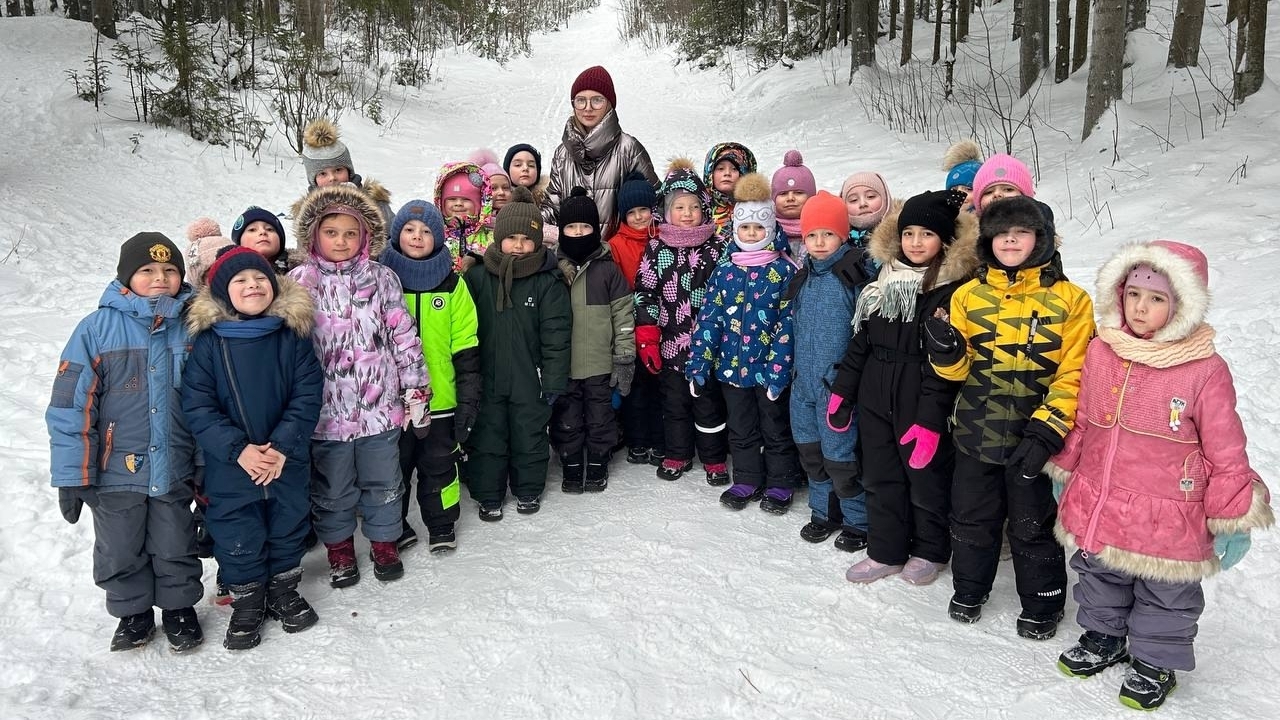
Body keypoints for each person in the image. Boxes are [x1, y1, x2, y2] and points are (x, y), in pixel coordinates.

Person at [1047, 240, 1273, 710]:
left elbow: (1226, 447)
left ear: (1182, 305)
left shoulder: (1204, 369)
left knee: (1165, 590)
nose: (1141, 308)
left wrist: (1232, 514)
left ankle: (1154, 660)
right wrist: (1067, 468)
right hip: (1103, 494)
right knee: (1099, 571)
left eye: (1156, 299)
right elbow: (1085, 419)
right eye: (1133, 295)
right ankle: (1103, 636)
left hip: (1170, 507)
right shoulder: (1103, 351)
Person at [923, 195, 1094, 640]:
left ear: (1040, 239)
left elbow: (1076, 370)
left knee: (1032, 524)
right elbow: (956, 372)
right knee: (971, 518)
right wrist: (946, 353)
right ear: (988, 241)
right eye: (1001, 233)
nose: (1011, 240)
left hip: (1034, 436)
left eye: (1021, 231)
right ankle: (969, 588)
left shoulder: (1071, 300)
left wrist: (1049, 428)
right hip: (976, 432)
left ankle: (1043, 603)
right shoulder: (967, 295)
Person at [47, 232, 204, 652]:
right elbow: (69, 404)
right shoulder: (96, 330)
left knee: (175, 541)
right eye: (148, 270)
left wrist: (208, 464)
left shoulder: (195, 325)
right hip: (115, 469)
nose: (160, 278)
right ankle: (133, 611)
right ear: (126, 278)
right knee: (120, 547)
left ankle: (178, 607)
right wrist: (72, 473)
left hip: (175, 463)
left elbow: (211, 401)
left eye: (170, 270)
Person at [828, 190, 977, 585]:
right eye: (908, 233)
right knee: (880, 476)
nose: (914, 243)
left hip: (919, 394)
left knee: (925, 478)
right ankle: (886, 550)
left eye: (926, 234)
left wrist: (930, 419)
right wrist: (843, 392)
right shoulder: (884, 281)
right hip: (876, 393)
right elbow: (861, 342)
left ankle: (930, 549)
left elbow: (946, 367)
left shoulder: (952, 290)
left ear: (943, 242)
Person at [289, 184, 431, 588]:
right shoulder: (300, 281)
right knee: (333, 488)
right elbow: (287, 348)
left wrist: (416, 392)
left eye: (350, 233)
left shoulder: (382, 278)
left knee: (384, 481)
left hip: (380, 409)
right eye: (331, 232)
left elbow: (404, 337)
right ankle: (339, 550)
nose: (341, 240)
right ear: (315, 234)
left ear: (366, 236)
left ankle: (384, 542)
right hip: (326, 414)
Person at [182, 247, 323, 650]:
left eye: (260, 278)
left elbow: (308, 393)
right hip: (232, 465)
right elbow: (198, 404)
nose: (252, 285)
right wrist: (238, 449)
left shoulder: (290, 335)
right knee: (236, 530)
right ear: (224, 292)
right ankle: (248, 600)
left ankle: (282, 590)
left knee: (288, 522)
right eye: (241, 280)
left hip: (285, 459)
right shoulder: (210, 344)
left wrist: (281, 446)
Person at [688, 172, 802, 512]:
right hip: (731, 369)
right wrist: (698, 364)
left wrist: (778, 371)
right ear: (735, 230)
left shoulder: (784, 271)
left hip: (768, 370)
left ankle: (781, 482)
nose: (751, 234)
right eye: (745, 228)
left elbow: (787, 324)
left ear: (771, 231)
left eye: (759, 228)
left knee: (775, 429)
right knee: (741, 429)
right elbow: (709, 318)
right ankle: (748, 478)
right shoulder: (725, 271)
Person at [767, 191, 872, 552]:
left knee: (840, 457)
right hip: (803, 383)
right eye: (812, 235)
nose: (819, 242)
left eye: (828, 233)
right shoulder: (804, 276)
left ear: (843, 234)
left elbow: (866, 331)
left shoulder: (853, 273)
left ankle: (857, 520)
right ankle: (823, 512)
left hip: (836, 385)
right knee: (811, 452)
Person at [464, 187, 572, 520]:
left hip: (531, 377)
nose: (519, 246)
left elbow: (556, 334)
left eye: (527, 239)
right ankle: (489, 493)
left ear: (539, 241)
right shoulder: (479, 276)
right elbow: (465, 328)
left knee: (530, 434)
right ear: (498, 239)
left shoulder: (547, 280)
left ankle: (528, 489)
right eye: (511, 238)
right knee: (488, 435)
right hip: (489, 374)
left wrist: (553, 378)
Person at [380, 200, 480, 553]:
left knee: (439, 465)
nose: (417, 237)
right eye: (409, 230)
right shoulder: (381, 281)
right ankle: (396, 526)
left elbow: (466, 346)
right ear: (397, 235)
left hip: (441, 399)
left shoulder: (453, 286)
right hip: (392, 404)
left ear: (438, 239)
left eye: (425, 232)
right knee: (396, 469)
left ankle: (441, 523)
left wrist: (468, 398)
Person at [633, 159, 729, 484]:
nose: (686, 213)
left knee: (708, 405)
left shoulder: (717, 248)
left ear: (704, 208)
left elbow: (727, 294)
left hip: (708, 349)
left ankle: (714, 457)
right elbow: (645, 291)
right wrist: (647, 336)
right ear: (665, 210)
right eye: (679, 207)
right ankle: (678, 453)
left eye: (693, 207)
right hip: (670, 346)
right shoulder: (657, 248)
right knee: (674, 405)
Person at [551, 187, 635, 493]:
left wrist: (624, 356)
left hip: (600, 363)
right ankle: (571, 462)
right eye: (571, 227)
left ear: (595, 230)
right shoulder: (553, 270)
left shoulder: (608, 270)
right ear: (561, 231)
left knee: (601, 417)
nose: (577, 233)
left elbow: (624, 316)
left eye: (584, 227)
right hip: (564, 364)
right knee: (567, 417)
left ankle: (599, 459)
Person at [545, 65, 660, 239]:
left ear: (609, 104)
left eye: (597, 100)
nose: (588, 107)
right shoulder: (562, 153)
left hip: (618, 256)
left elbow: (655, 200)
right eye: (581, 100)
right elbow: (552, 206)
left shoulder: (629, 148)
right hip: (572, 255)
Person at [608, 172, 665, 467]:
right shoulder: (617, 244)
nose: (640, 217)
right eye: (632, 212)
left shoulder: (665, 238)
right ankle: (637, 439)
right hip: (632, 323)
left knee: (660, 385)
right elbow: (616, 285)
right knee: (635, 385)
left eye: (644, 210)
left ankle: (658, 439)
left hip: (664, 323)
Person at [298, 118, 394, 232]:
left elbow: (394, 238)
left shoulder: (374, 203)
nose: (332, 178)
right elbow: (304, 248)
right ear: (314, 180)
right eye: (323, 173)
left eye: (338, 170)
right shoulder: (308, 214)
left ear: (349, 171)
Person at [434, 160, 495, 271]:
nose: (458, 204)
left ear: (479, 204)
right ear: (441, 203)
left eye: (466, 199)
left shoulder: (490, 236)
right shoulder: (435, 236)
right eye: (452, 199)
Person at [702, 142, 757, 247]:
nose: (727, 173)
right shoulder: (698, 206)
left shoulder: (756, 207)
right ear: (710, 173)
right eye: (720, 169)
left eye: (734, 169)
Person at [771, 150, 815, 259]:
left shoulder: (823, 228)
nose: (790, 198)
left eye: (798, 193)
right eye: (783, 193)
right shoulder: (766, 229)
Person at [231, 206, 294, 275]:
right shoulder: (227, 274)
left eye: (269, 229)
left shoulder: (301, 271)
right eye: (252, 230)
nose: (263, 232)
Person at [969, 153, 1034, 216]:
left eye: (1008, 189)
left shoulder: (1041, 224)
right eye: (988, 192)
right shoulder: (970, 226)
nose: (997, 194)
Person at [942, 140, 984, 213]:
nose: (959, 195)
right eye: (954, 189)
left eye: (968, 189)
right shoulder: (941, 218)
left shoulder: (991, 221)